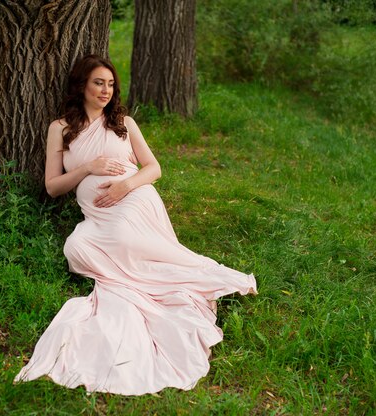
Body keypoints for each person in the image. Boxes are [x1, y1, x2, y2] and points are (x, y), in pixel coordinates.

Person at [14, 55, 257, 395]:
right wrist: (88, 168)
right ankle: (139, 279)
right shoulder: (60, 128)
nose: (106, 90)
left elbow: (154, 168)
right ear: (82, 85)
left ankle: (174, 273)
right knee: (76, 248)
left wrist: (125, 186)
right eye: (99, 82)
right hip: (96, 215)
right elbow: (53, 187)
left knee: (126, 237)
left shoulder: (123, 123)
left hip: (134, 200)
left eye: (111, 84)